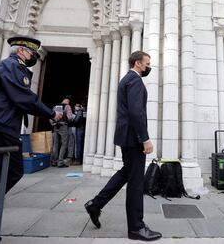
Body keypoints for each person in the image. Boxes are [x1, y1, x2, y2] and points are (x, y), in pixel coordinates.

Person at [0, 36, 62, 243]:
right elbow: (25, 98)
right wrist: (51, 114)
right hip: (0, 130)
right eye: (31, 53)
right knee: (13, 172)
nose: (34, 57)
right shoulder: (13, 67)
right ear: (21, 52)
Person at [84, 51, 162, 241]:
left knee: (126, 173)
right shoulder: (134, 81)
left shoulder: (126, 79)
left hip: (126, 136)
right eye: (147, 63)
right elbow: (136, 113)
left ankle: (96, 204)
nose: (148, 67)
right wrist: (145, 138)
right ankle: (136, 227)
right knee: (136, 183)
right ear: (137, 63)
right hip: (134, 139)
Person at [51, 98, 73, 167]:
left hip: (55, 126)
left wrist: (53, 123)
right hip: (63, 126)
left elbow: (50, 116)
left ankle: (54, 161)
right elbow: (70, 117)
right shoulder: (67, 106)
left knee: (55, 144)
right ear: (67, 102)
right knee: (64, 144)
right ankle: (60, 162)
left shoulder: (55, 106)